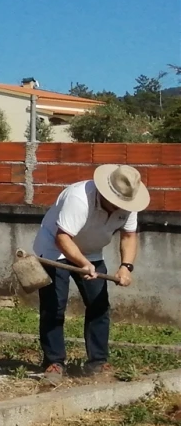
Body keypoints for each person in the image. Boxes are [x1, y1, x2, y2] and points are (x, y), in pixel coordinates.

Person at [31, 164, 148, 382]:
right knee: (54, 305)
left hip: (92, 251)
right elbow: (62, 238)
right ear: (105, 192)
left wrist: (126, 266)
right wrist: (82, 263)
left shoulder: (128, 204)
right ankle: (54, 362)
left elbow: (129, 236)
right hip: (53, 249)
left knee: (99, 305)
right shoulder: (80, 198)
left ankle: (97, 362)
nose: (120, 207)